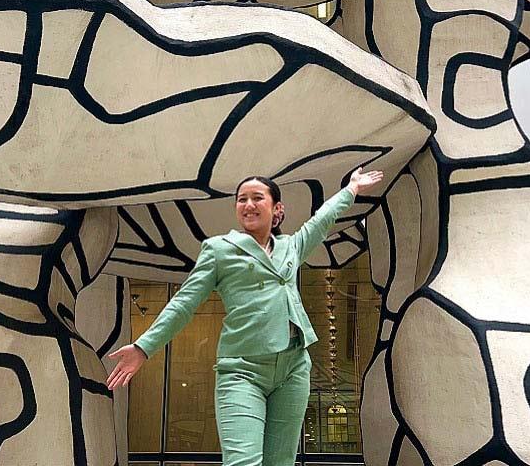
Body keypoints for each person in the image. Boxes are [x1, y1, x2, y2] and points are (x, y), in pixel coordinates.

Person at [106, 166, 385, 466]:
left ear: (277, 209)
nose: (248, 205)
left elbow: (321, 220)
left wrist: (352, 189)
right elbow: (184, 302)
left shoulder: (290, 246)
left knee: (280, 463)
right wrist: (143, 347)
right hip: (242, 371)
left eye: (257, 198)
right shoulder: (219, 250)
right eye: (242, 199)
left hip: (293, 369)